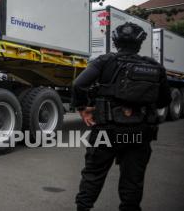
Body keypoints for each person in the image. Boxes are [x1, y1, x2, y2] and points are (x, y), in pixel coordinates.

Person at [72, 22, 171, 211]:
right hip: (139, 133)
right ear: (140, 43)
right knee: (133, 180)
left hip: (107, 132)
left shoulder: (104, 61)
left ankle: (83, 208)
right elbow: (163, 101)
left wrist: (82, 108)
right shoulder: (155, 67)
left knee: (93, 175)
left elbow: (79, 84)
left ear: (115, 41)